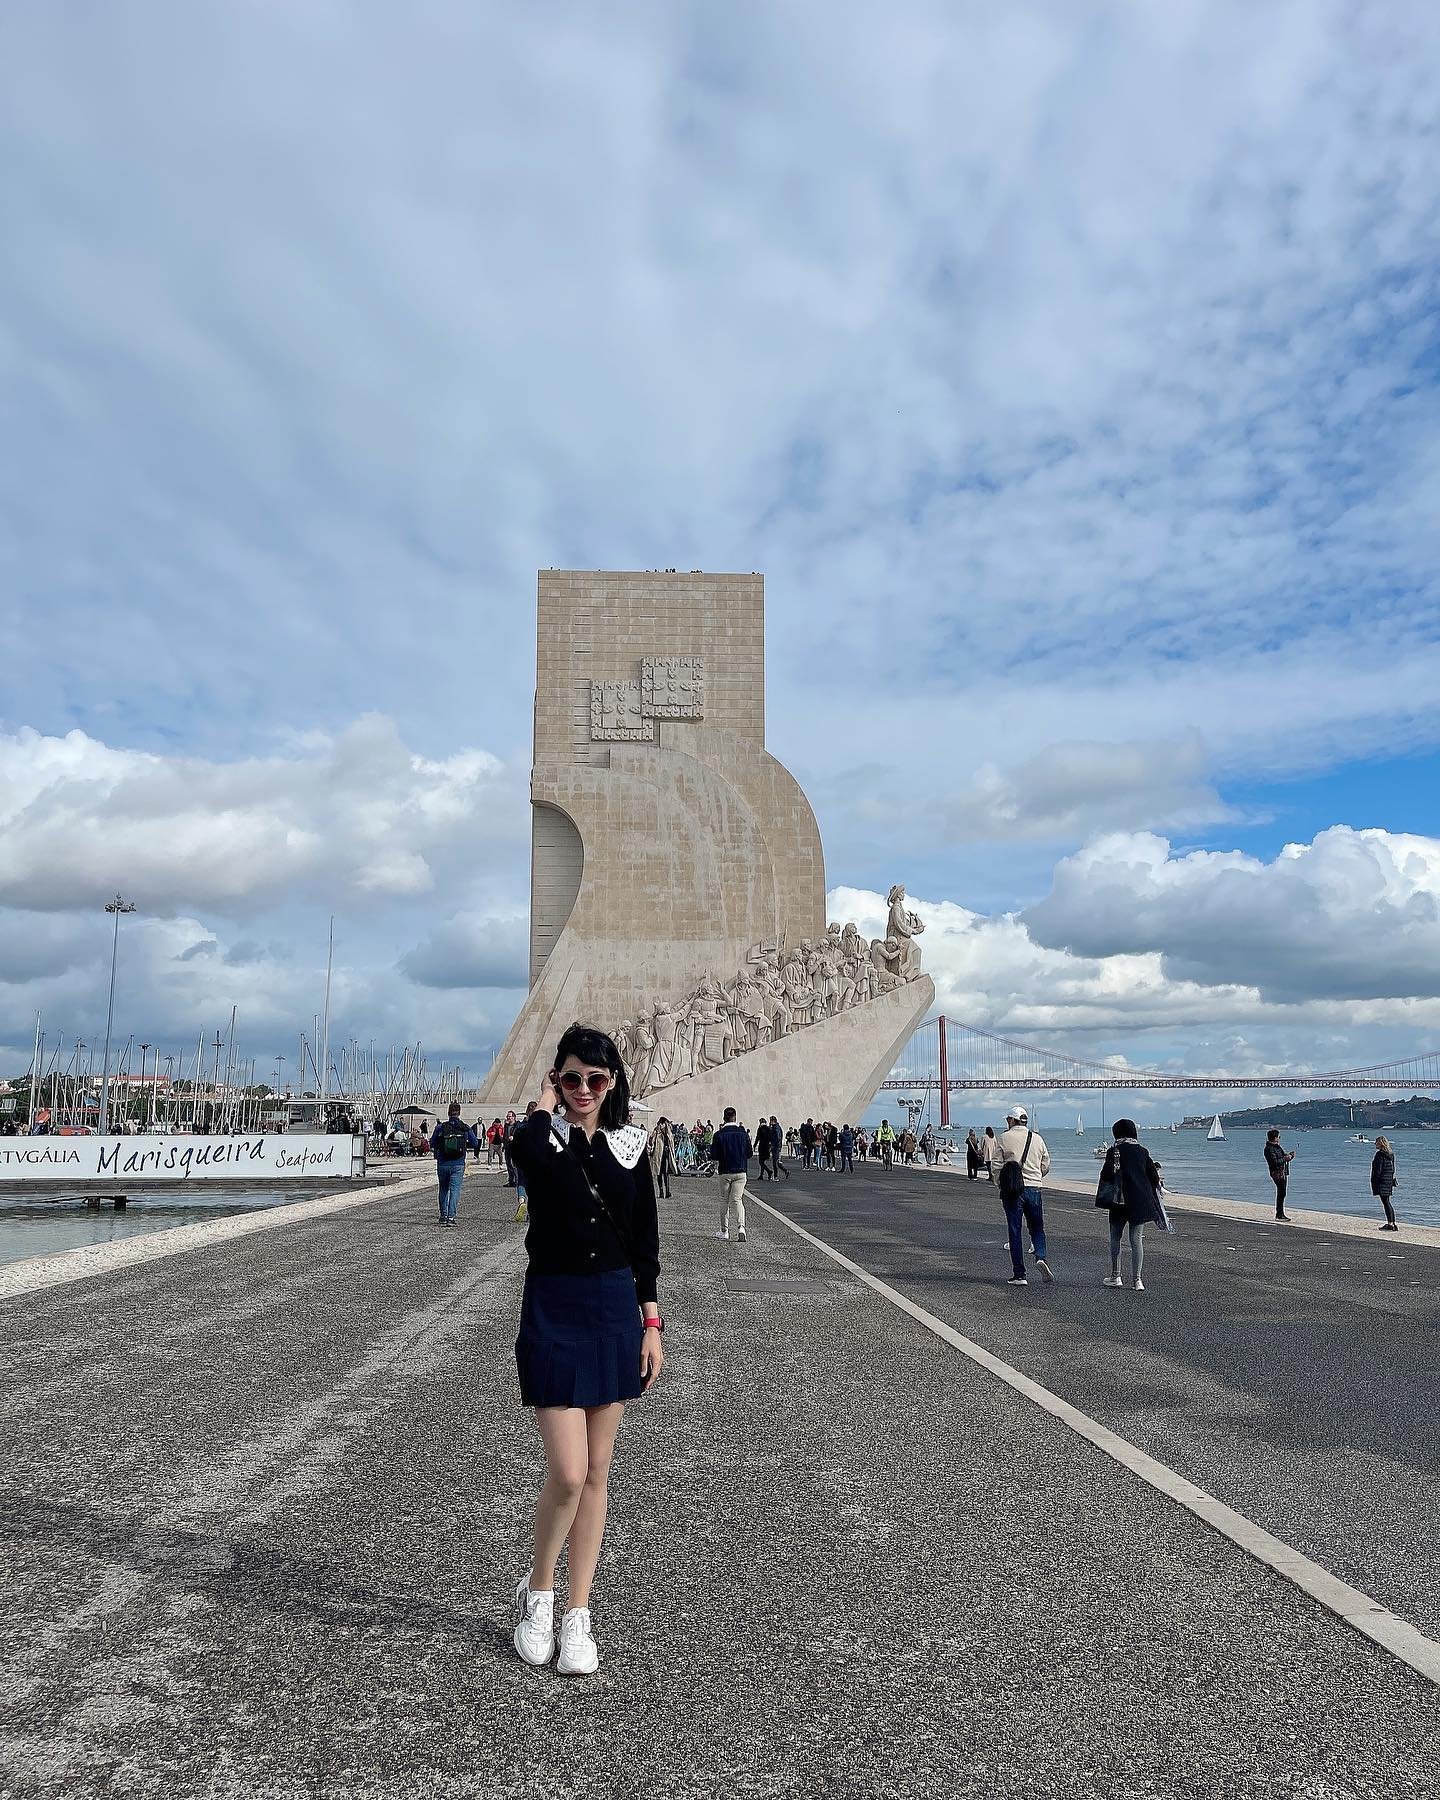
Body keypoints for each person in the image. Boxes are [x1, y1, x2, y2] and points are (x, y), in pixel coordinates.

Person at [508, 1024, 662, 1678]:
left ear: (613, 1083)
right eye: (569, 1078)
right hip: (553, 1304)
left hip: (611, 1309)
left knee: (598, 1471)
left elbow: (645, 1245)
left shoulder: (631, 1148)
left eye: (594, 1080)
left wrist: (652, 1322)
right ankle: (537, 1593)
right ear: (556, 1080)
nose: (581, 1091)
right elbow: (526, 1154)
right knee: (568, 1472)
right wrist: (543, 1107)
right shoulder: (541, 1140)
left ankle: (578, 1612)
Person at [1096, 1119, 1165, 1291]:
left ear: (1117, 1133)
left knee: (1115, 1238)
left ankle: (1116, 1276)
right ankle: (1137, 1281)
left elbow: (1105, 1174)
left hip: (1119, 1201)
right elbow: (1154, 1177)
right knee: (1136, 1240)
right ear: (1134, 1132)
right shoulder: (1142, 1151)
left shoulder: (1114, 1151)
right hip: (1139, 1202)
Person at [993, 1105, 1053, 1286]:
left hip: (1013, 1190)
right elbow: (1046, 1164)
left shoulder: (1003, 1138)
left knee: (1015, 1230)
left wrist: (1000, 1184)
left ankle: (1020, 1275)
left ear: (1012, 1120)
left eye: (1007, 1119)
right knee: (1037, 1227)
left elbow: (996, 1166)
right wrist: (1036, 1176)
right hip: (1034, 1188)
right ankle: (1040, 1256)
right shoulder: (1037, 1138)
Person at [430, 1102, 479, 1227]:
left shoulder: (440, 1127)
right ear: (459, 1112)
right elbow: (475, 1143)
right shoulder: (465, 1127)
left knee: (443, 1189)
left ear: (448, 1112)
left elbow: (432, 1143)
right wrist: (463, 1144)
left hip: (443, 1163)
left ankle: (443, 1216)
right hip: (458, 1163)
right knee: (455, 1190)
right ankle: (451, 1217)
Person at [712, 1107, 753, 1242]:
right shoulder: (743, 1133)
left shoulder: (719, 1135)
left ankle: (724, 1231)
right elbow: (749, 1153)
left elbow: (714, 1155)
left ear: (724, 1118)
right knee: (738, 1200)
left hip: (725, 1171)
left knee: (724, 1200)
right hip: (741, 1171)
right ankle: (741, 1227)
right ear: (735, 1117)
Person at [1264, 1128, 1295, 1221]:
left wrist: (1290, 1156)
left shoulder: (1277, 1147)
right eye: (1278, 1137)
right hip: (1276, 1173)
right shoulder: (1269, 1149)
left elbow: (1283, 1156)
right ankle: (1279, 1214)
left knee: (1283, 1193)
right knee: (1281, 1193)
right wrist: (1285, 1159)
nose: (1279, 1138)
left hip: (1283, 1172)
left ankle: (1280, 1213)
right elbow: (1275, 1162)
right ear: (1275, 1138)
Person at [1371, 1136, 1399, 1231]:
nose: (1375, 1144)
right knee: (1387, 1202)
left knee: (1386, 1202)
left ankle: (1390, 1224)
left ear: (1380, 1143)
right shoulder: (1390, 1155)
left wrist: (1374, 1181)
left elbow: (1377, 1170)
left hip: (1382, 1181)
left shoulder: (1379, 1155)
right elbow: (1393, 1169)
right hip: (1388, 1181)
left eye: (1376, 1142)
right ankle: (1392, 1223)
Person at [650, 1116, 677, 1201]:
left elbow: (671, 1142)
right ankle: (661, 1191)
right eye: (663, 1123)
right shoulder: (656, 1132)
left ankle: (668, 1191)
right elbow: (651, 1141)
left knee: (665, 1173)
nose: (664, 1125)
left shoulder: (667, 1133)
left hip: (666, 1155)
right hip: (658, 1156)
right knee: (659, 1173)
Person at [767, 1115, 788, 1180]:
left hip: (776, 1147)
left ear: (773, 1121)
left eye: (770, 1121)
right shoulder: (776, 1127)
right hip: (777, 1147)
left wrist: (772, 1145)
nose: (769, 1122)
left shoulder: (776, 1128)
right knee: (777, 1162)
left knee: (775, 1162)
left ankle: (776, 1176)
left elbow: (777, 1137)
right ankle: (786, 1171)